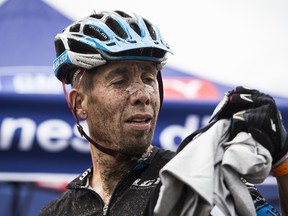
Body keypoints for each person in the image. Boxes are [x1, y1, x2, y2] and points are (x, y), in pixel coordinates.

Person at [38, 10, 288, 216]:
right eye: (119, 81)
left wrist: (284, 164)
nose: (142, 94)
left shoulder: (195, 181)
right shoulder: (59, 211)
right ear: (79, 103)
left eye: (148, 78)